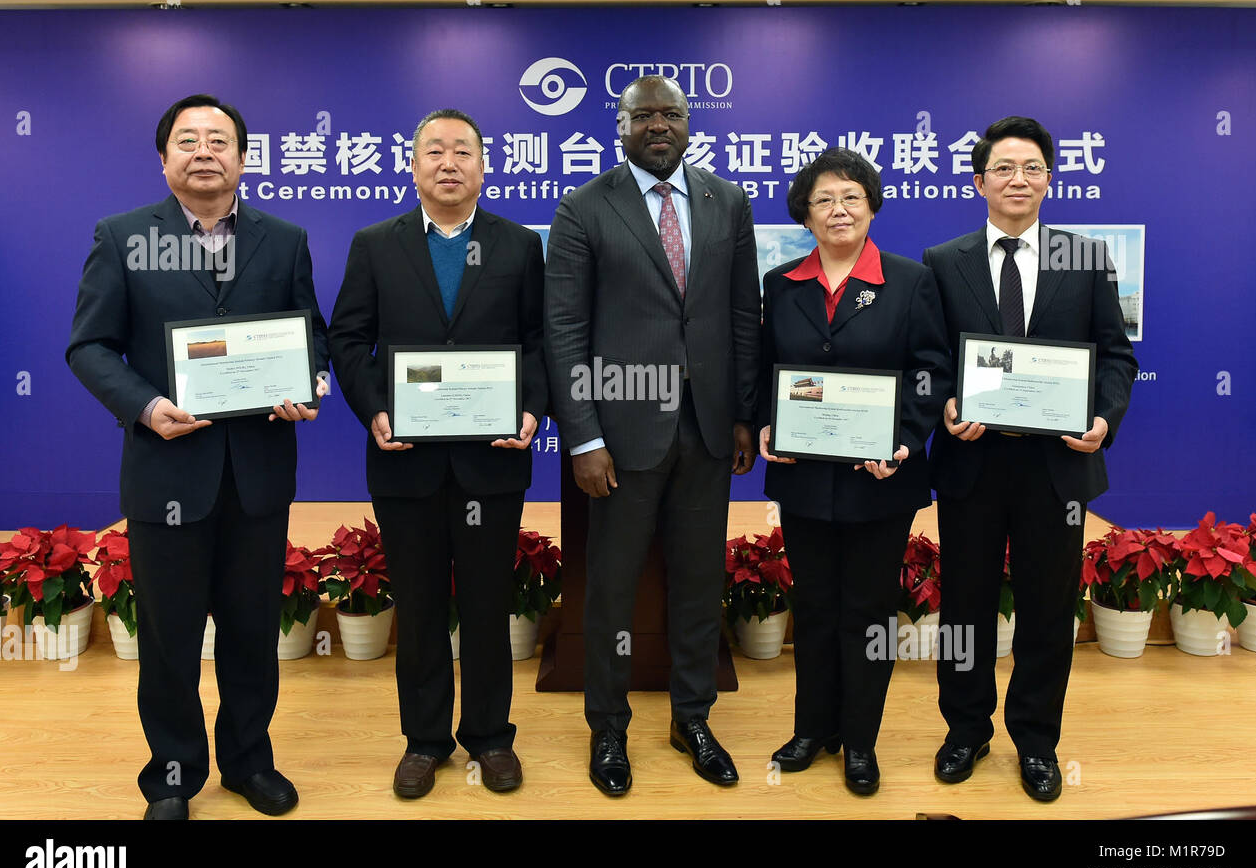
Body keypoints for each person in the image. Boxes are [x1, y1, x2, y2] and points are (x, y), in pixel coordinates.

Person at [66, 94, 329, 819]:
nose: (204, 152)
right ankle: (174, 775)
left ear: (243, 159)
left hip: (257, 474)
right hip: (166, 472)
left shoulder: (285, 238)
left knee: (251, 632)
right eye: (188, 140)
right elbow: (89, 346)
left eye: (220, 140)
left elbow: (313, 337)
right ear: (164, 159)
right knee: (170, 640)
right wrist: (147, 406)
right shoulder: (121, 237)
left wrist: (308, 384)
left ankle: (249, 762)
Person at [544, 76, 760, 796]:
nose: (658, 125)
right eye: (645, 115)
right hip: (620, 436)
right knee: (610, 590)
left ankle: (691, 717)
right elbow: (565, 330)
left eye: (672, 113)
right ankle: (608, 726)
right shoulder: (584, 206)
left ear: (690, 123)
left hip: (705, 431)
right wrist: (582, 437)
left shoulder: (726, 201)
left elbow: (741, 316)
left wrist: (742, 413)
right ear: (622, 125)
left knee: (699, 584)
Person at [327, 109, 546, 799]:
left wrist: (534, 409)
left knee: (486, 604)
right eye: (434, 151)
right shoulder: (375, 244)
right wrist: (374, 409)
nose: (448, 163)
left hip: (491, 459)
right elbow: (348, 339)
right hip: (406, 460)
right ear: (413, 165)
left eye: (463, 152)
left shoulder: (517, 245)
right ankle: (424, 742)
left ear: (485, 166)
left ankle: (489, 738)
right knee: (419, 608)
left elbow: (542, 342)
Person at [923, 116, 1136, 801]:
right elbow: (928, 360)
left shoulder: (1086, 257)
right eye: (1005, 168)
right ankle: (966, 731)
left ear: (1049, 179)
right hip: (973, 463)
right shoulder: (943, 260)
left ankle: (1037, 742)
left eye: (1033, 168)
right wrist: (947, 406)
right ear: (979, 180)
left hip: (1056, 467)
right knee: (965, 605)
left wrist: (1102, 418)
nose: (1019, 179)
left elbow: (1117, 356)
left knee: (1048, 609)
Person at [757, 148, 950, 795]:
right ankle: (813, 729)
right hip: (805, 477)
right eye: (823, 200)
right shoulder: (781, 284)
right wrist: (765, 425)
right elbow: (765, 369)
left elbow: (931, 370)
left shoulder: (910, 281)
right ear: (804, 215)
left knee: (867, 612)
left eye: (851, 197)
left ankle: (860, 740)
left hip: (880, 478)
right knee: (813, 606)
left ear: (871, 206)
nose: (838, 210)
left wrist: (902, 439)